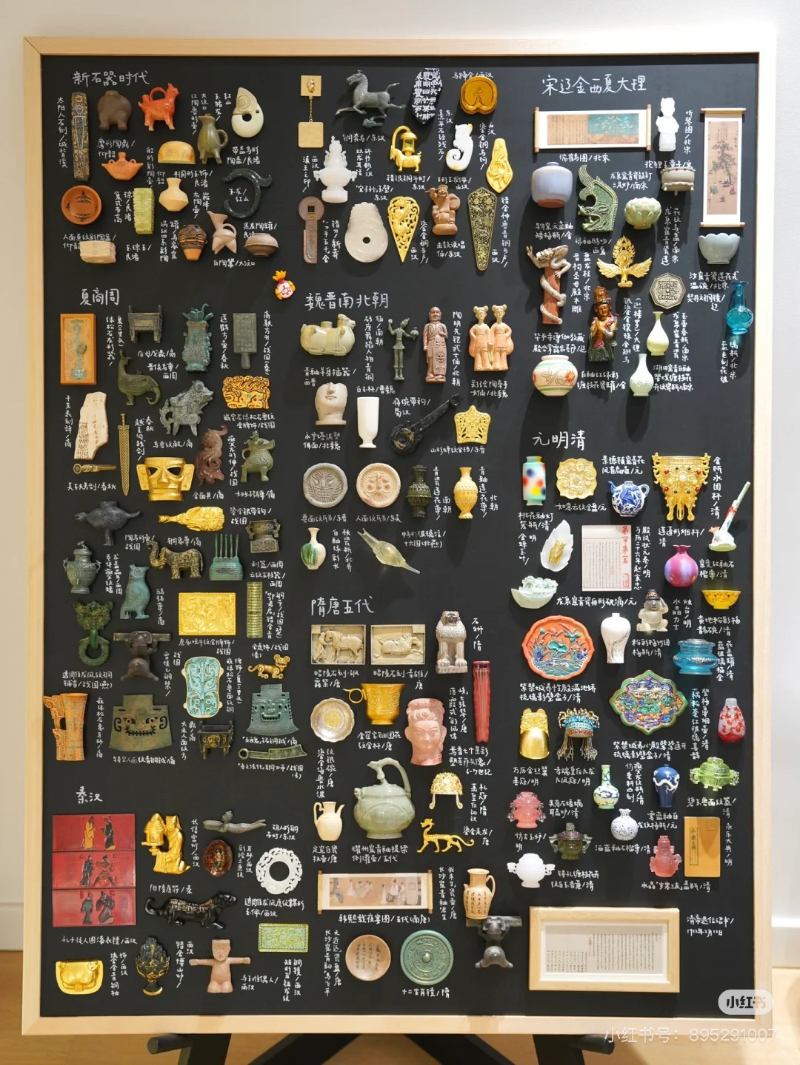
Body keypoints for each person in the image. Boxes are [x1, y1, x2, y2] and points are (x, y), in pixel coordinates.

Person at [587, 286, 618, 362]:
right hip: (595, 348)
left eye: (605, 307)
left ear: (609, 307)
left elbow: (610, 335)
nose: (603, 310)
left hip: (606, 348)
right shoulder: (595, 321)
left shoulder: (612, 320)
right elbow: (591, 336)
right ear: (596, 310)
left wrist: (599, 327)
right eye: (600, 309)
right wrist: (596, 326)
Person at [422, 307, 448, 383]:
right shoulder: (428, 326)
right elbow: (425, 336)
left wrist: (443, 334)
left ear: (440, 314)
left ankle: (440, 374)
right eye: (433, 312)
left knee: (440, 359)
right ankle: (430, 373)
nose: (435, 314)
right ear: (429, 314)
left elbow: (446, 336)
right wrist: (425, 345)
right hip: (431, 343)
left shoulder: (442, 325)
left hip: (440, 345)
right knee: (430, 358)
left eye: (437, 312)